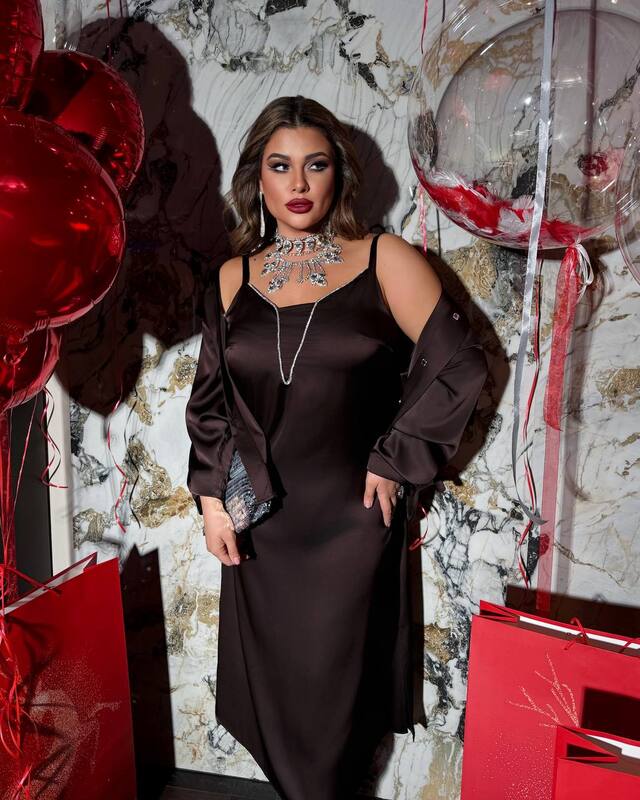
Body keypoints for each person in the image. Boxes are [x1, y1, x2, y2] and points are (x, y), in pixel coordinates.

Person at [185, 95, 488, 800]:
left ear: (338, 176)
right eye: (280, 166)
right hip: (262, 528)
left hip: (352, 525)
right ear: (257, 179)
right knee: (279, 709)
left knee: (334, 717)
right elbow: (210, 402)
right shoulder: (232, 278)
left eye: (314, 165)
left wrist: (396, 457)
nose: (298, 183)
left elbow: (460, 364)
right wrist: (212, 501)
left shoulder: (385, 258)